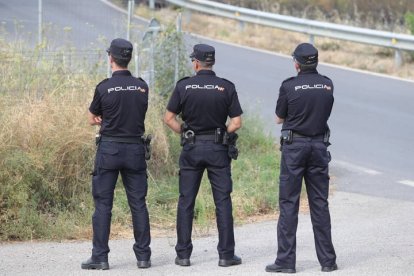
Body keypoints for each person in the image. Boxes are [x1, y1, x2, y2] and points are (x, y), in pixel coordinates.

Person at [164, 44, 243, 267]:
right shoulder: (226, 87)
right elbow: (236, 122)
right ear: (212, 62)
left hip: (192, 149)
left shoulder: (184, 86)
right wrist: (220, 134)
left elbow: (169, 118)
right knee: (223, 202)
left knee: (186, 201)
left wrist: (186, 133)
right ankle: (226, 255)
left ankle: (183, 255)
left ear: (196, 63)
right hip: (218, 150)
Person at [266, 43, 337, 273]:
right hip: (318, 146)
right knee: (320, 204)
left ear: (296, 63)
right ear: (316, 62)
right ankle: (328, 261)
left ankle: (286, 262)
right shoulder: (327, 84)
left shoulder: (289, 86)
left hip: (294, 148)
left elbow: (279, 118)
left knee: (289, 204)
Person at [81, 38, 151, 270]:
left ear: (111, 58)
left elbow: (92, 118)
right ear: (129, 58)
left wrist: (102, 118)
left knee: (103, 205)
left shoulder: (103, 87)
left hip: (109, 149)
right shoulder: (142, 87)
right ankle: (143, 257)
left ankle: (100, 257)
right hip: (134, 150)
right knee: (138, 204)